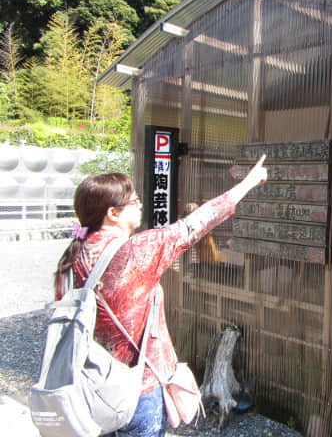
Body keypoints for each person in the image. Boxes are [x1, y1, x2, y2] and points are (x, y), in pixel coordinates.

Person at [53, 155, 267, 437]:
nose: (140, 204)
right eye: (133, 201)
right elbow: (194, 225)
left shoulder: (70, 258)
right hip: (135, 387)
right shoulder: (132, 252)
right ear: (112, 213)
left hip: (86, 383)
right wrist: (248, 183)